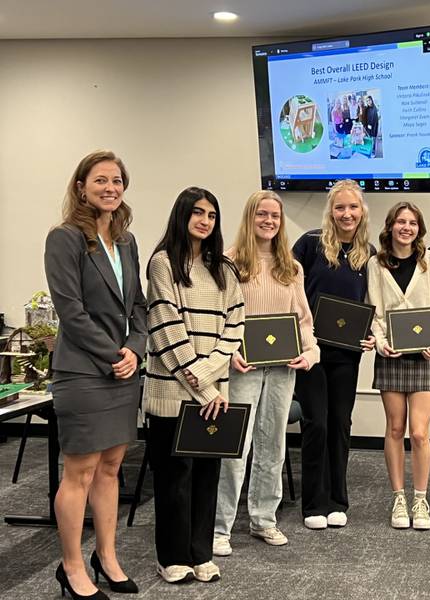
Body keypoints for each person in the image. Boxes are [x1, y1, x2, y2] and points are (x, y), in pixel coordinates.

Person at [45, 150, 145, 599]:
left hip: (123, 369)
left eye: (117, 181)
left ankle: (106, 558)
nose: (110, 187)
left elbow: (138, 306)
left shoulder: (126, 240)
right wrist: (115, 354)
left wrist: (136, 351)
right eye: (100, 180)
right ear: (81, 186)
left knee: (111, 469)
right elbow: (71, 312)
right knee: (80, 472)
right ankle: (70, 566)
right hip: (83, 370)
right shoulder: (65, 238)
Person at [144, 187, 244, 584]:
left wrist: (212, 375)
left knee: (206, 477)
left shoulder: (225, 268)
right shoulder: (162, 263)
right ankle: (171, 557)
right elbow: (166, 327)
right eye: (198, 213)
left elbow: (235, 324)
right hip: (173, 391)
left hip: (214, 393)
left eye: (212, 215)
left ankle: (200, 552)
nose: (205, 221)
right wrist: (202, 382)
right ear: (182, 215)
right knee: (174, 480)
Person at [213, 191, 319, 554]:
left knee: (273, 445)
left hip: (281, 370)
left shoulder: (290, 266)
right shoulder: (228, 263)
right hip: (242, 368)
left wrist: (311, 352)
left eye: (275, 215)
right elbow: (219, 319)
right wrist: (229, 354)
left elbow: (303, 319)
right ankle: (219, 528)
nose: (269, 221)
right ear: (250, 217)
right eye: (262, 214)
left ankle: (263, 519)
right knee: (235, 448)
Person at [292, 180, 376, 530]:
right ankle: (314, 503)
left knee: (341, 424)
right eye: (340, 207)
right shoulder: (310, 244)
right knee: (317, 424)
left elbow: (374, 302)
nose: (346, 214)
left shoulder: (368, 253)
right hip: (311, 351)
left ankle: (337, 500)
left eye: (353, 207)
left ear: (362, 212)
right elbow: (290, 290)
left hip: (346, 353)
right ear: (331, 211)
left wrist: (373, 333)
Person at [367, 202, 430, 530]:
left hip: (424, 357)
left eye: (412, 222)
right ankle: (399, 498)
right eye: (401, 221)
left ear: (419, 228)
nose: (407, 227)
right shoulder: (376, 263)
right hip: (391, 356)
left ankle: (420, 498)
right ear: (391, 226)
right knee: (396, 429)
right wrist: (381, 340)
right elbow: (374, 308)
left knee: (419, 432)